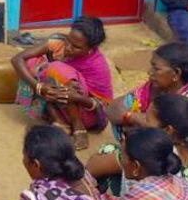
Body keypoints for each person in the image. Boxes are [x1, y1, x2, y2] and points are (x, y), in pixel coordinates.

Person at [89, 93, 188, 200]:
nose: (141, 120)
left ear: (168, 130)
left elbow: (92, 167)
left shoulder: (151, 151)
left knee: (109, 151)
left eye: (147, 118)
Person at [12, 15, 114, 150]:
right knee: (33, 63)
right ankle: (60, 122)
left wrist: (75, 97)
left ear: (90, 49)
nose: (68, 48)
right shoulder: (58, 43)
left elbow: (103, 106)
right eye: (68, 41)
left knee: (57, 69)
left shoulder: (97, 64)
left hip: (87, 112)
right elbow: (17, 59)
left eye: (76, 47)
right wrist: (39, 87)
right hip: (60, 101)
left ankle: (78, 127)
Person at [105, 42, 188, 141]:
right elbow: (112, 109)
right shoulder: (153, 88)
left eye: (156, 69)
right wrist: (132, 117)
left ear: (176, 74)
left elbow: (171, 140)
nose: (149, 72)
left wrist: (136, 123)